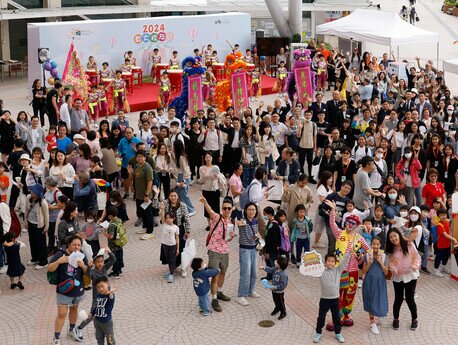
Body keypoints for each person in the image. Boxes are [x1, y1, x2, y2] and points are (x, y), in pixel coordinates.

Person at [324, 199, 370, 329]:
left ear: (357, 226)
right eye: (349, 222)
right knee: (336, 294)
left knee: (350, 294)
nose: (350, 225)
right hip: (339, 271)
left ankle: (346, 316)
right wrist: (333, 210)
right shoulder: (339, 234)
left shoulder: (359, 238)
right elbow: (332, 223)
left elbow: (369, 250)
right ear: (346, 223)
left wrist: (361, 257)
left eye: (354, 223)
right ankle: (336, 317)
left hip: (353, 272)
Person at [48, 235, 88, 344]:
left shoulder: (82, 255)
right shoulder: (60, 254)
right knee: (62, 313)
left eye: (79, 245)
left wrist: (83, 266)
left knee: (74, 309)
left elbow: (88, 272)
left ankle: (71, 330)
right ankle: (56, 337)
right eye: (74, 245)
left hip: (78, 289)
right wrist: (58, 262)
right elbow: (49, 268)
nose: (76, 247)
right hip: (64, 290)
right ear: (69, 244)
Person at [199, 196, 235, 312]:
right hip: (214, 251)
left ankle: (219, 292)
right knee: (215, 275)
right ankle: (214, 299)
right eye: (225, 208)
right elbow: (210, 210)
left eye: (229, 208)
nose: (227, 210)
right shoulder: (217, 217)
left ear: (232, 209)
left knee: (223, 273)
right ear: (222, 208)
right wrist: (205, 202)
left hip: (225, 251)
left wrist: (231, 237)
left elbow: (227, 238)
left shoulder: (231, 222)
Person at [386, 228, 421, 330]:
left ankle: (414, 319)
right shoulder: (390, 249)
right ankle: (396, 319)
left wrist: (415, 266)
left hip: (410, 275)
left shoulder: (409, 244)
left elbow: (417, 257)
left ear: (399, 235)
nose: (393, 238)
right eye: (391, 237)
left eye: (395, 236)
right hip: (398, 277)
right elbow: (390, 262)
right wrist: (393, 269)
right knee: (398, 299)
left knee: (410, 299)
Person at [312, 252, 351, 344]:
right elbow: (311, 267)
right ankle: (318, 332)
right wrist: (304, 260)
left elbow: (344, 262)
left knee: (336, 317)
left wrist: (349, 253)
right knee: (321, 317)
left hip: (335, 300)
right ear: (325, 262)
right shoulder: (320, 272)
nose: (330, 263)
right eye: (328, 261)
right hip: (324, 299)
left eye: (332, 261)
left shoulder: (338, 271)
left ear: (335, 263)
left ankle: (338, 333)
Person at [77, 247, 116, 332]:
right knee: (92, 314)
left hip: (107, 296)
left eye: (102, 261)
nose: (100, 264)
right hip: (97, 298)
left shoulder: (105, 268)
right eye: (97, 262)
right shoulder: (93, 272)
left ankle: (99, 327)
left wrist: (109, 251)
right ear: (94, 263)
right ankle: (79, 328)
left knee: (106, 312)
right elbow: (87, 274)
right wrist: (88, 267)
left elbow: (113, 259)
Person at [281, 173, 314, 260]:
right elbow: (284, 200)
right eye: (302, 183)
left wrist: (305, 208)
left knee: (302, 235)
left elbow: (311, 201)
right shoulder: (291, 188)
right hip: (292, 214)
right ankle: (291, 253)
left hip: (303, 216)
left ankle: (302, 255)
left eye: (305, 183)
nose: (304, 185)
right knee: (291, 234)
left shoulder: (308, 190)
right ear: (298, 181)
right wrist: (285, 191)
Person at [160, 189, 191, 277]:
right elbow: (155, 206)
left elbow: (187, 219)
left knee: (181, 249)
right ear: (169, 197)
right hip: (168, 231)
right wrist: (156, 195)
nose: (173, 197)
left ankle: (183, 268)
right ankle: (173, 267)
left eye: (175, 196)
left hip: (180, 230)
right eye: (171, 196)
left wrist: (188, 231)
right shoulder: (166, 204)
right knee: (170, 251)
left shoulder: (182, 205)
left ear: (178, 196)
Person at [361, 237, 389, 335]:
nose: (375, 246)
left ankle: (380, 315)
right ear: (371, 245)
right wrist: (369, 262)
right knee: (370, 300)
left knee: (380, 298)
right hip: (369, 281)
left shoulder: (384, 256)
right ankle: (372, 323)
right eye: (373, 244)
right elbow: (363, 271)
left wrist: (381, 263)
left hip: (380, 281)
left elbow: (386, 272)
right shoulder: (367, 256)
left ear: (380, 245)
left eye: (377, 244)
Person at [235, 202, 261, 306]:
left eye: (253, 209)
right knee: (245, 273)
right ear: (245, 211)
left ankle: (251, 290)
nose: (251, 212)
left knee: (254, 272)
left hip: (254, 249)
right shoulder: (242, 221)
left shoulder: (255, 221)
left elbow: (255, 235)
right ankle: (241, 295)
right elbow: (237, 223)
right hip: (245, 250)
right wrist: (238, 223)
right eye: (249, 209)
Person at [129, 150, 155, 240]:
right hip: (138, 194)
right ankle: (145, 227)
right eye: (138, 156)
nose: (139, 158)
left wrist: (147, 194)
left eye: (141, 156)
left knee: (148, 213)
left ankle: (150, 231)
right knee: (142, 212)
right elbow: (134, 178)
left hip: (146, 195)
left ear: (145, 157)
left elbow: (150, 181)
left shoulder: (147, 168)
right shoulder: (136, 166)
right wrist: (130, 175)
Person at [25, 183, 49, 270]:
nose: (31, 192)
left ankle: (43, 262)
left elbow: (46, 216)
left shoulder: (43, 202)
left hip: (39, 225)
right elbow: (26, 210)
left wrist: (46, 227)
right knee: (32, 241)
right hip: (31, 223)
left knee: (41, 244)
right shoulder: (28, 198)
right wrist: (25, 221)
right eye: (31, 191)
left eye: (33, 192)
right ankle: (35, 258)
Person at [259, 255, 289, 320]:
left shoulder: (283, 275)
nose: (275, 262)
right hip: (273, 290)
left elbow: (283, 285)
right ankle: (277, 308)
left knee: (280, 302)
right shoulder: (275, 269)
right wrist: (264, 268)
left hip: (279, 292)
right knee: (275, 300)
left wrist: (275, 287)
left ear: (279, 265)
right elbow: (270, 270)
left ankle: (283, 312)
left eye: (277, 262)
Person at [172, 139, 195, 215]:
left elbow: (185, 170)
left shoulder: (182, 157)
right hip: (181, 176)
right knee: (181, 195)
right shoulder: (180, 156)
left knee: (184, 195)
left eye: (174, 146)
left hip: (183, 177)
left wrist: (183, 181)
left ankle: (191, 210)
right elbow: (177, 165)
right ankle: (185, 210)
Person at [92, 276, 117, 345]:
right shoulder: (98, 296)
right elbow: (97, 306)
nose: (101, 289)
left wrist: (111, 292)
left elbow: (111, 301)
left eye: (102, 286)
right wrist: (92, 313)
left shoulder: (110, 296)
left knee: (110, 340)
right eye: (98, 287)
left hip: (107, 323)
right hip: (97, 321)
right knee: (99, 339)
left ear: (107, 284)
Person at [433, 208, 457, 277]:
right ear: (438, 217)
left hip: (447, 244)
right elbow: (445, 235)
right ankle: (436, 270)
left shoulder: (446, 221)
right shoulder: (439, 225)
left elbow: (451, 221)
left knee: (446, 256)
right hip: (440, 245)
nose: (443, 216)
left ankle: (444, 267)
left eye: (444, 215)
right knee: (439, 257)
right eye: (441, 215)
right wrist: (454, 239)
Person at [158, 210, 180, 283]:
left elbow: (177, 238)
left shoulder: (176, 228)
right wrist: (162, 208)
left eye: (170, 218)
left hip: (172, 245)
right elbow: (162, 215)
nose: (168, 219)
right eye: (166, 218)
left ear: (173, 218)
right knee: (168, 259)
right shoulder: (164, 224)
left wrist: (177, 249)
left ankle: (171, 274)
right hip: (164, 244)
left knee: (172, 260)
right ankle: (171, 270)